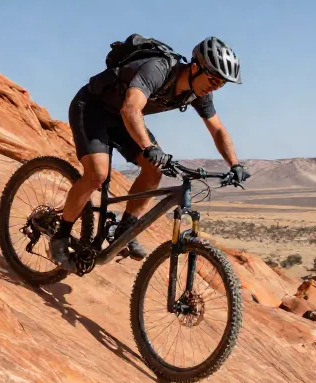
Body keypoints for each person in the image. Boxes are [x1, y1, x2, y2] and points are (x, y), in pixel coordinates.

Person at [50, 36, 249, 272]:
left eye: (221, 84)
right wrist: (149, 147)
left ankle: (125, 230)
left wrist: (234, 164)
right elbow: (131, 108)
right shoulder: (159, 69)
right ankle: (60, 237)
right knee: (97, 175)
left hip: (124, 119)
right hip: (93, 108)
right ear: (196, 67)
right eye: (213, 79)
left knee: (155, 169)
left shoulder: (200, 93)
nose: (214, 86)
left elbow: (217, 129)